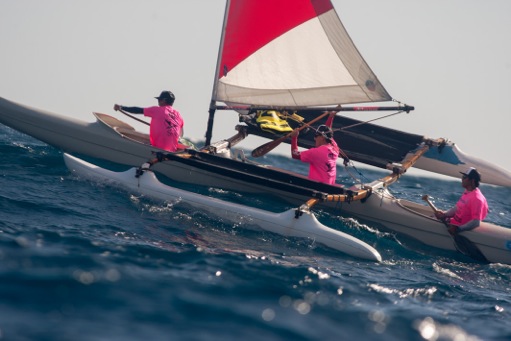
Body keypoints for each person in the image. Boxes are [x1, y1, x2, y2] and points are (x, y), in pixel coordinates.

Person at [114, 90, 184, 152]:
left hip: (158, 150)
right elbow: (181, 134)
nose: (158, 102)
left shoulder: (156, 110)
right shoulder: (179, 115)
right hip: (172, 151)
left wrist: (121, 107)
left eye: (159, 100)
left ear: (164, 100)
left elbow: (137, 110)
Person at [434, 167, 489, 235]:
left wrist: (458, 229)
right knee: (433, 216)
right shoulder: (468, 192)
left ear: (472, 180)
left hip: (458, 228)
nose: (462, 179)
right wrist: (445, 215)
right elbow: (457, 208)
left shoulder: (477, 199)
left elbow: (476, 222)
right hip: (452, 222)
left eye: (464, 177)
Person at [290, 111, 340, 185]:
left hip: (317, 188)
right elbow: (327, 130)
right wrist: (331, 117)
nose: (314, 138)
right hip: (330, 188)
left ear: (322, 138)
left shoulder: (317, 152)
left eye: (316, 136)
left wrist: (294, 138)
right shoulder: (334, 147)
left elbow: (295, 154)